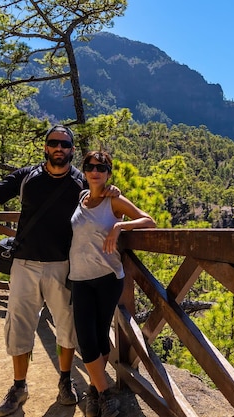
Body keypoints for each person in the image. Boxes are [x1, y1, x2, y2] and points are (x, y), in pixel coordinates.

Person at [0, 125, 117, 417]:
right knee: (19, 325)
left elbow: (104, 202)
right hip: (24, 264)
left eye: (65, 144)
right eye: (54, 143)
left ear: (72, 150)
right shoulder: (27, 177)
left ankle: (65, 382)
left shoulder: (81, 182)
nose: (59, 149)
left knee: (67, 328)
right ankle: (18, 387)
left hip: (63, 267)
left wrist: (113, 192)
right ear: (45, 147)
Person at [69, 150, 156, 417]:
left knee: (97, 335)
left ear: (108, 173)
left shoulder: (114, 201)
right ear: (84, 171)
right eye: (90, 166)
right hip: (79, 278)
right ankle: (104, 392)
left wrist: (120, 227)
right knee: (86, 338)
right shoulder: (81, 198)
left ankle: (96, 392)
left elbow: (149, 222)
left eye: (101, 167)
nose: (95, 171)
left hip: (108, 278)